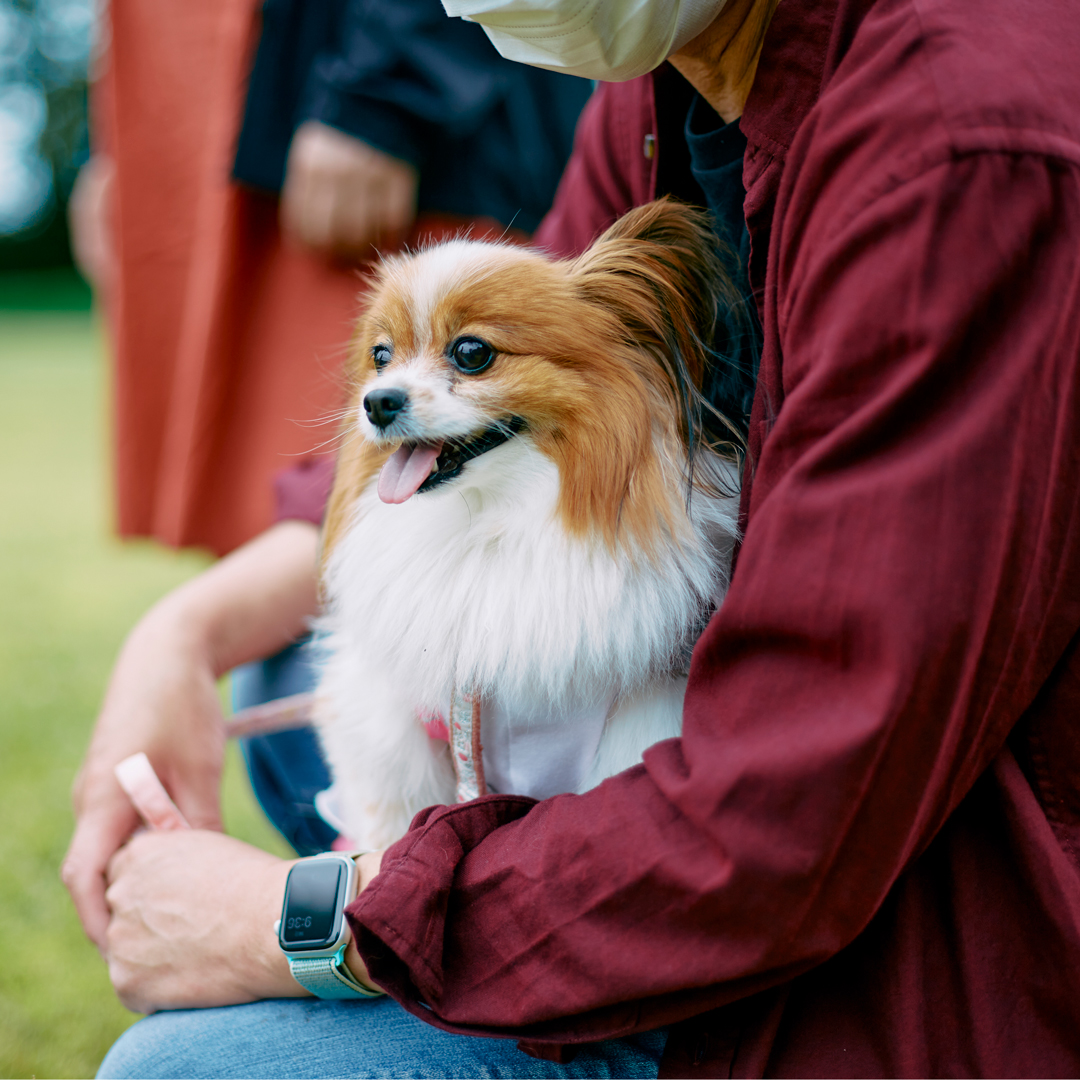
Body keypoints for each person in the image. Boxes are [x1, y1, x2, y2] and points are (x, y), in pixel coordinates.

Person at [67, 0, 1080, 1075]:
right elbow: (496, 359)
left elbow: (794, 818)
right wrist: (181, 632)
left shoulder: (961, 148)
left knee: (185, 1068)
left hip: (880, 955)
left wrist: (311, 924)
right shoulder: (668, 66)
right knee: (280, 670)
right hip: (718, 842)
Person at [75, 0, 588, 556]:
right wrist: (110, 141)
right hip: (192, 109)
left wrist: (384, 88)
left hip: (372, 94)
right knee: (244, 493)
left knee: (425, 497)